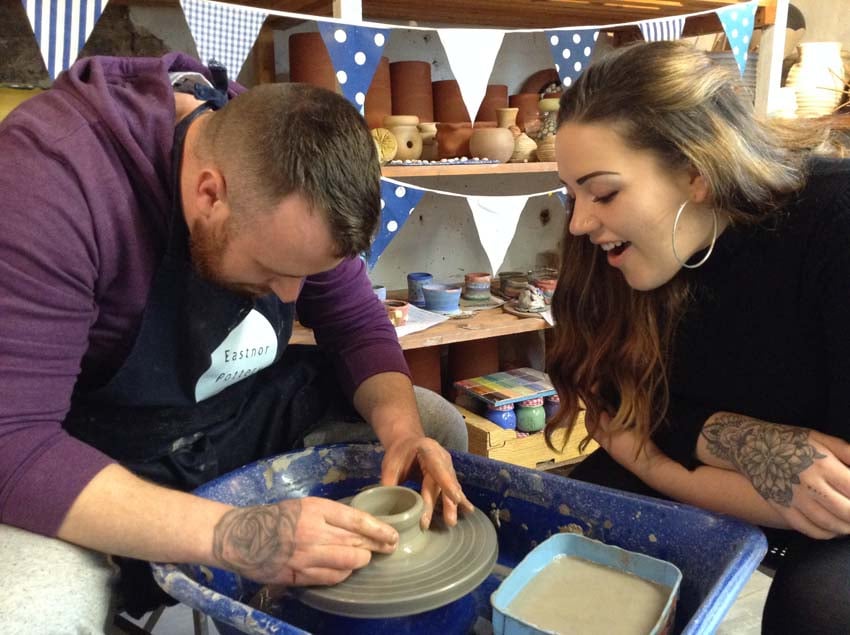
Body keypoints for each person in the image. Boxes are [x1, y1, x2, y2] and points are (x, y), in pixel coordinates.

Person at [0, 52, 473, 632]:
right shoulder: (47, 182)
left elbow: (356, 325)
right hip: (95, 451)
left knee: (433, 426)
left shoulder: (288, 159)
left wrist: (404, 434)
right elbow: (12, 444)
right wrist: (239, 535)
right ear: (209, 194)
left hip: (231, 415)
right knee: (28, 607)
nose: (293, 292)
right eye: (274, 269)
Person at [546, 40, 850, 634]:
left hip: (829, 521)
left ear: (696, 172)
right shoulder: (607, 252)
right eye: (572, 194)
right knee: (570, 538)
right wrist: (732, 446)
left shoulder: (834, 223)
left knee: (822, 609)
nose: (580, 222)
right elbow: (610, 415)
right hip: (719, 479)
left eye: (603, 193)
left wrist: (664, 441)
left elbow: (838, 495)